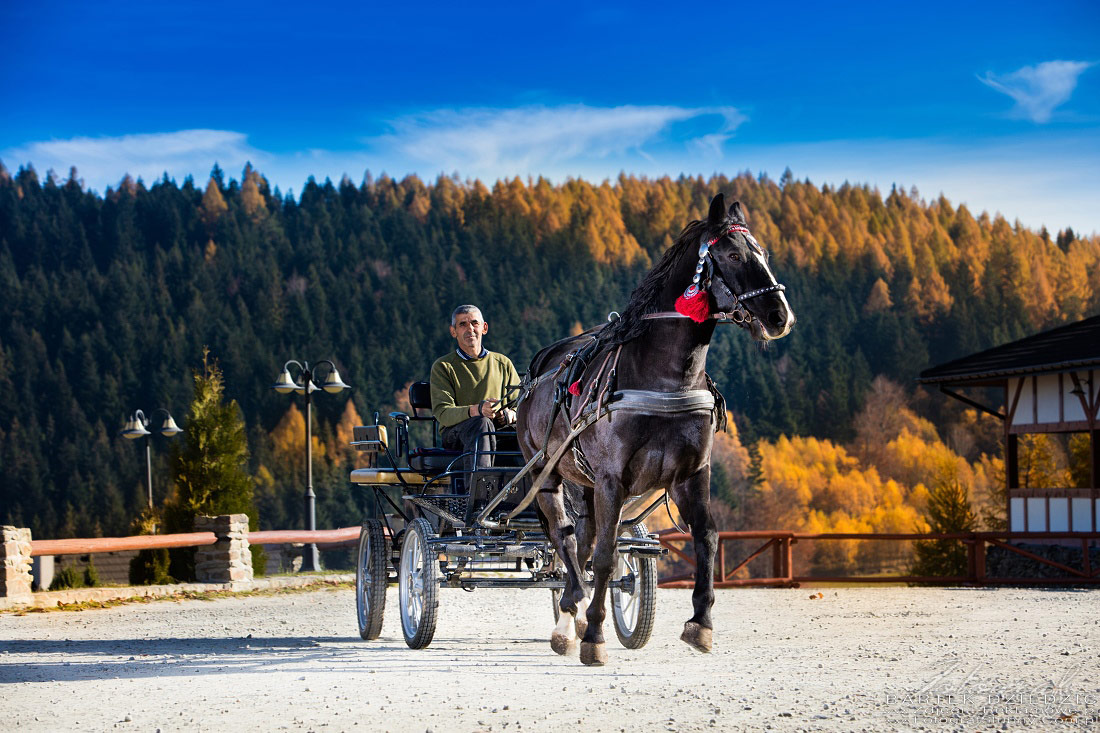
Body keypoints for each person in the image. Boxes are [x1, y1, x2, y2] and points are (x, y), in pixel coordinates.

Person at [430, 305, 520, 492]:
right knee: (481, 424)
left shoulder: (502, 363)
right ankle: (480, 499)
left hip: (498, 429)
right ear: (453, 331)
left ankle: (537, 499)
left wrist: (510, 414)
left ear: (484, 328)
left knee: (533, 430)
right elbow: (443, 413)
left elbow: (521, 404)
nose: (469, 328)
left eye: (474, 323)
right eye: (462, 324)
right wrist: (478, 410)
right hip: (458, 433)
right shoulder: (444, 366)